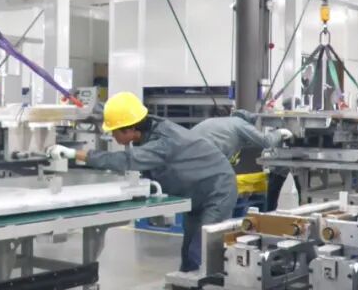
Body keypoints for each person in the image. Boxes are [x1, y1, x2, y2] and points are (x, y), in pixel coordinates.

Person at [47, 92, 236, 274]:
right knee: (188, 255)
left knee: (200, 252)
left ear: (130, 130)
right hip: (196, 191)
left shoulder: (163, 143)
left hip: (217, 191)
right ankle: (191, 287)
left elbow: (126, 160)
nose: (112, 136)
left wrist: (74, 154)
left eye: (114, 132)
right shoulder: (146, 124)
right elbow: (117, 113)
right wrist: (80, 106)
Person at [191, 109, 292, 162]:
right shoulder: (240, 123)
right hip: (202, 157)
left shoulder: (221, 122)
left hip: (188, 149)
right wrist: (280, 132)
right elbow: (266, 141)